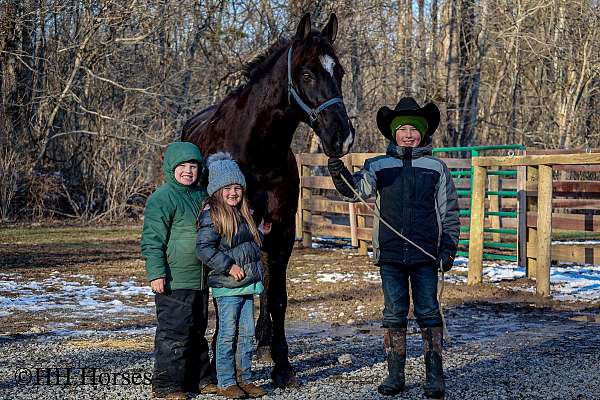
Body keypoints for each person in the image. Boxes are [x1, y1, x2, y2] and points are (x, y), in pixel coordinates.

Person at [327, 97, 460, 398]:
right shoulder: (378, 166)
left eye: (414, 129)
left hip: (426, 254)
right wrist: (338, 171)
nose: (409, 134)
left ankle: (434, 376)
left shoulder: (436, 168)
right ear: (393, 133)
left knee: (428, 311)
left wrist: (448, 247)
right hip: (390, 254)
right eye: (403, 129)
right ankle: (395, 374)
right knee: (394, 312)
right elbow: (355, 192)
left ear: (423, 133)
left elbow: (449, 210)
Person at [141, 142, 217, 400]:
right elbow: (152, 240)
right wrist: (156, 273)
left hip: (201, 278)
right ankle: (166, 386)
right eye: (182, 166)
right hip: (174, 279)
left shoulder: (203, 196)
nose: (188, 171)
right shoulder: (162, 198)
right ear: (170, 168)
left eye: (193, 166)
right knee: (174, 332)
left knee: (197, 330)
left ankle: (200, 378)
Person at [196, 152, 268, 399]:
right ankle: (226, 381)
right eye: (227, 188)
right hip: (228, 286)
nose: (233, 192)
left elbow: (244, 246)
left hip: (247, 285)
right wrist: (228, 267)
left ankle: (244, 378)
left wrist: (260, 232)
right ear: (217, 190)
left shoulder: (244, 212)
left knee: (247, 334)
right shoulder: (212, 214)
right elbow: (204, 249)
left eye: (237, 187)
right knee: (228, 334)